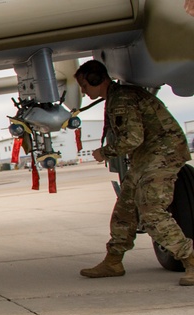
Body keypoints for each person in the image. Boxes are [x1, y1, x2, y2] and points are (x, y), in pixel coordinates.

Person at [74, 60, 194, 285]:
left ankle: (190, 259)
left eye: (84, 86)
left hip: (162, 154)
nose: (83, 91)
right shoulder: (117, 97)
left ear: (95, 80)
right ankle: (113, 261)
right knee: (124, 210)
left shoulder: (122, 99)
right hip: (147, 157)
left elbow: (132, 138)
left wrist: (105, 152)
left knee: (151, 211)